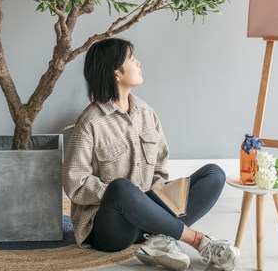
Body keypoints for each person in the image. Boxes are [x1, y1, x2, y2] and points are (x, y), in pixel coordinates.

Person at [61, 38, 240, 271]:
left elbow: (159, 169)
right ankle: (198, 241)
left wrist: (156, 202)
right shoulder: (91, 122)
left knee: (214, 174)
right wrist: (128, 198)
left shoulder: (147, 113)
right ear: (116, 73)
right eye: (131, 58)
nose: (138, 62)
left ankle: (159, 240)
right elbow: (75, 184)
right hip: (112, 230)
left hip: (148, 217)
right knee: (121, 188)